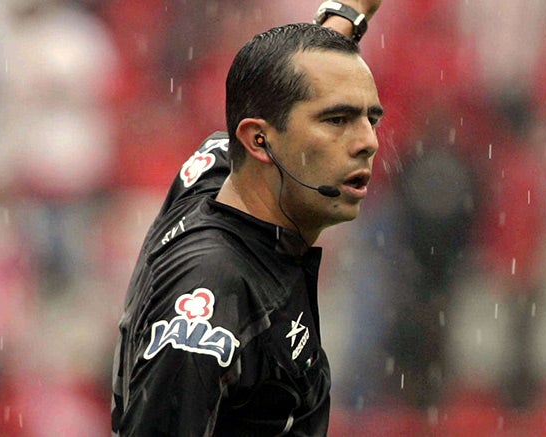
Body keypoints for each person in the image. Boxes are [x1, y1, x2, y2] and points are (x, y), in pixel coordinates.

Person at [111, 1, 383, 435]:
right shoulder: (213, 293)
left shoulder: (219, 168)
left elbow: (280, 87)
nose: (368, 142)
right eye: (338, 120)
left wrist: (348, 15)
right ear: (259, 141)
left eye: (372, 119)